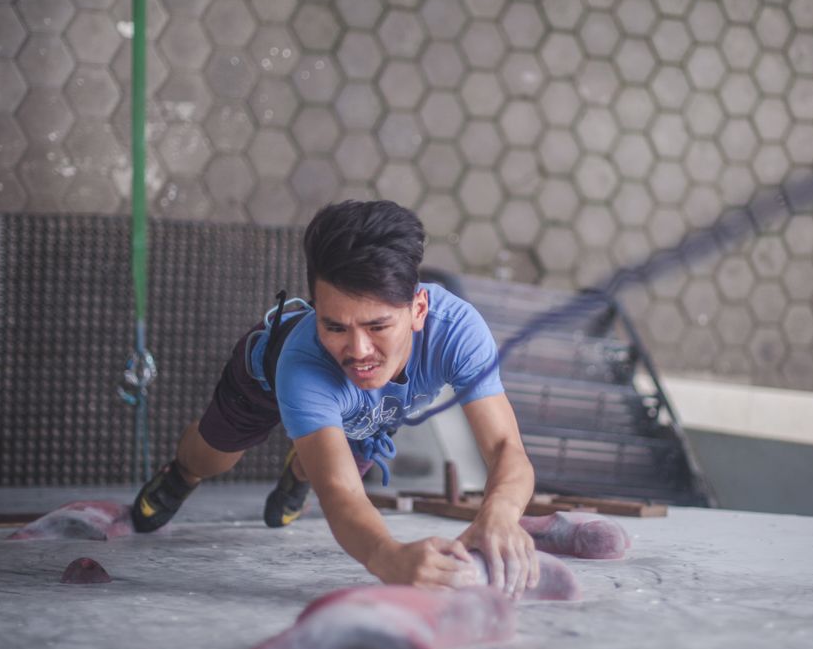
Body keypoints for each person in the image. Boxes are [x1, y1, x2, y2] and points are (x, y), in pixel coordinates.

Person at [130, 200, 540, 598]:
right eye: (335, 327)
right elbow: (341, 494)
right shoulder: (302, 365)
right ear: (316, 311)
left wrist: (500, 514)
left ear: (418, 310)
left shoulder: (458, 332)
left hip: (371, 412)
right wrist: (388, 557)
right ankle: (182, 473)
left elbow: (506, 446)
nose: (359, 351)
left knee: (325, 463)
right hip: (266, 379)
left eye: (378, 326)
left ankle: (300, 469)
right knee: (214, 457)